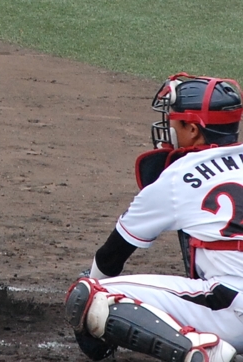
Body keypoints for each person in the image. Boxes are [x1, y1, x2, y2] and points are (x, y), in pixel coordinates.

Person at [65, 73, 243, 362]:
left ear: (193, 129)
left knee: (88, 295)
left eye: (173, 120)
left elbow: (111, 257)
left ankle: (203, 351)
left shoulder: (178, 178)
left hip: (234, 312)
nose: (167, 126)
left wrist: (94, 299)